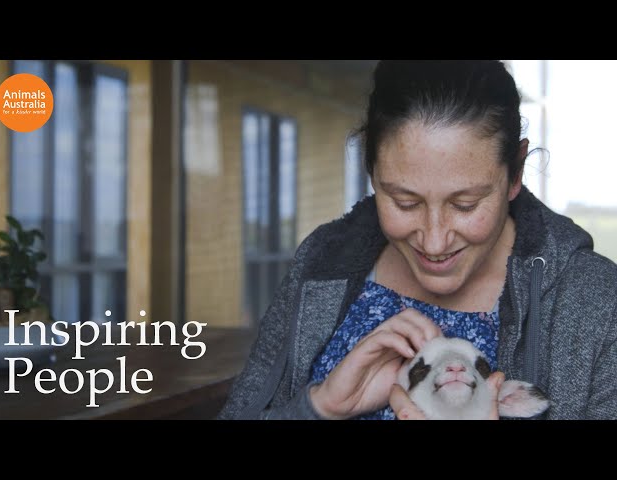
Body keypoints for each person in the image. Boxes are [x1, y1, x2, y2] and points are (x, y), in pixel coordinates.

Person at [218, 60, 617, 420]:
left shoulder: (594, 304)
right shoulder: (322, 263)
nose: (435, 240)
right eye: (404, 201)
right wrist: (317, 407)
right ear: (370, 170)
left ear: (515, 174)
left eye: (466, 203)